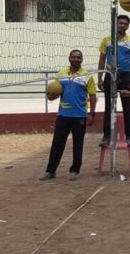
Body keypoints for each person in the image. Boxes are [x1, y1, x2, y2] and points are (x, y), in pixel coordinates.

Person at [40, 50, 97, 181]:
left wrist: (91, 114)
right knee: (57, 144)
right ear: (69, 58)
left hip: (79, 116)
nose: (76, 59)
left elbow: (93, 96)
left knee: (78, 144)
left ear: (82, 59)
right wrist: (51, 96)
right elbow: (54, 91)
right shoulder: (61, 74)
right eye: (74, 57)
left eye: (78, 57)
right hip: (63, 115)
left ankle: (75, 171)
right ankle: (50, 171)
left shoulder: (87, 76)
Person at [98, 14, 130, 147]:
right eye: (120, 23)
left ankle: (129, 137)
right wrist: (99, 78)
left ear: (128, 26)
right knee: (108, 107)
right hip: (110, 75)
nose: (122, 25)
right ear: (115, 24)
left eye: (125, 24)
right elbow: (102, 59)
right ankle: (106, 136)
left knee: (127, 107)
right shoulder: (107, 40)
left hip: (126, 76)